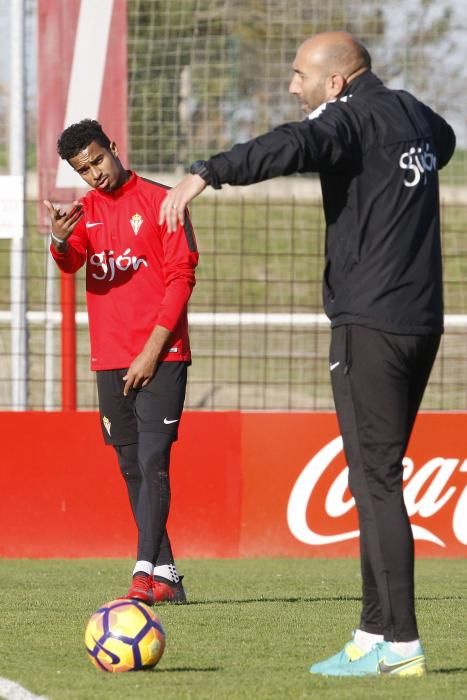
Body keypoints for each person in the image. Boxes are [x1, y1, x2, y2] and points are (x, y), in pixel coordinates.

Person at [159, 31, 456, 676]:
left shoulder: (343, 119)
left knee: (376, 481)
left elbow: (293, 144)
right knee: (374, 477)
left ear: (336, 83)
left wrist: (209, 171)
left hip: (369, 325)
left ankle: (401, 645)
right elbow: (447, 144)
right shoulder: (413, 112)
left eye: (299, 76)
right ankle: (373, 633)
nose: (292, 88)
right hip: (421, 322)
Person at [44, 119, 199, 605]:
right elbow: (72, 264)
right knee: (131, 465)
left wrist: (152, 350)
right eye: (83, 169)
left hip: (162, 354)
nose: (94, 173)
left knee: (154, 460)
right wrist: (59, 240)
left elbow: (181, 276)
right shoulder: (85, 211)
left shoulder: (162, 201)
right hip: (109, 358)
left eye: (98, 160)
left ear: (113, 147)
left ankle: (143, 572)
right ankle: (168, 575)